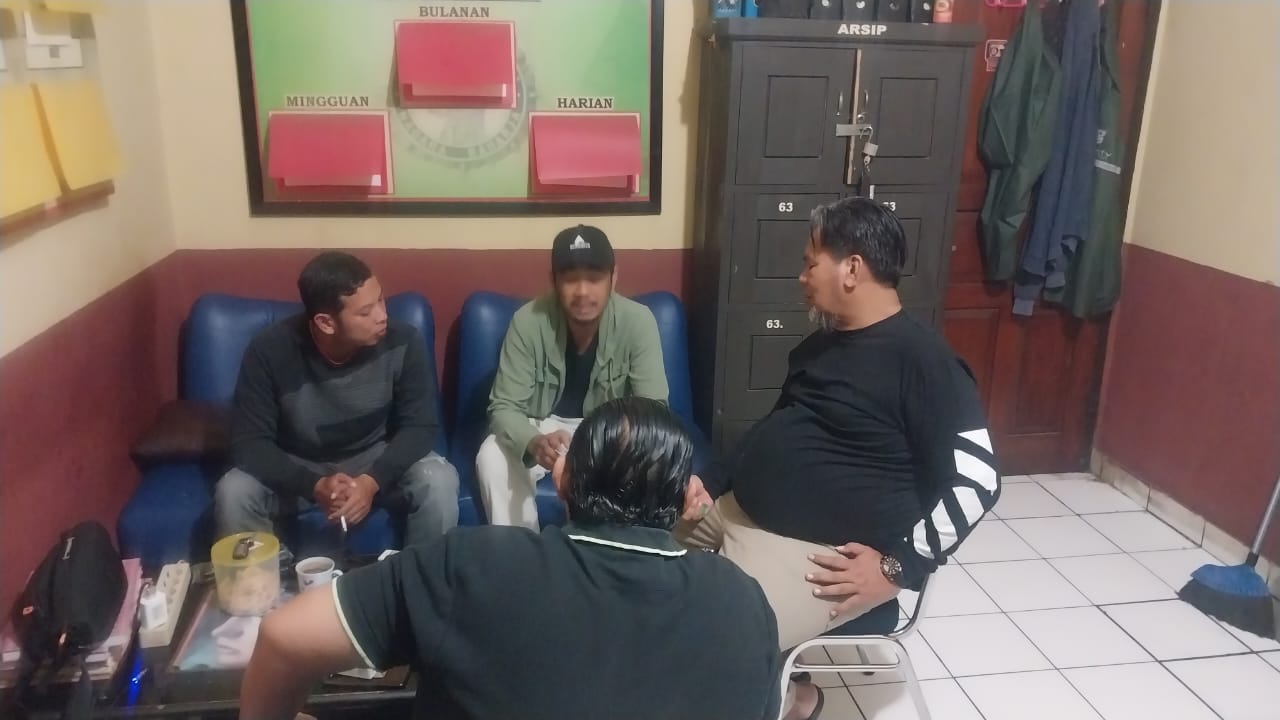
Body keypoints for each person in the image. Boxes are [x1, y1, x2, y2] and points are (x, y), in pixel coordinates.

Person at [239, 397, 782, 720]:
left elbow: (284, 638)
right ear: (685, 497)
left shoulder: (471, 564)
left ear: (562, 481)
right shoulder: (746, 604)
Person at [678, 197, 1000, 719]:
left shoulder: (925, 362)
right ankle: (780, 685)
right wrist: (710, 481)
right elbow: (773, 430)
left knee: (719, 635)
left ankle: (789, 699)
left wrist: (898, 567)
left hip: (818, 555)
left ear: (851, 269)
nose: (801, 277)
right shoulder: (820, 347)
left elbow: (979, 481)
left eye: (810, 263)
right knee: (642, 550)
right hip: (738, 510)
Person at [214, 251, 459, 550]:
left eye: (381, 300)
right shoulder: (269, 351)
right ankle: (265, 578)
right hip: (300, 461)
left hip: (374, 455)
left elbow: (421, 427)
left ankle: (421, 575)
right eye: (365, 312)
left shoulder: (404, 341)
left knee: (439, 480)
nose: (382, 316)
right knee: (234, 492)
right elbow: (250, 444)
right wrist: (313, 485)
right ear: (326, 323)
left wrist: (371, 481)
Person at [476, 224, 669, 528]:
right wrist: (533, 442)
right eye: (570, 278)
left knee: (652, 451)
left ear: (613, 278)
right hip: (543, 426)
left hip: (608, 430)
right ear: (553, 280)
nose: (582, 291)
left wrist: (610, 443)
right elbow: (504, 407)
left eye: (594, 278)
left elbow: (653, 409)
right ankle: (519, 550)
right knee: (492, 454)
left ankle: (607, 550)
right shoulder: (527, 322)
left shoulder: (638, 322)